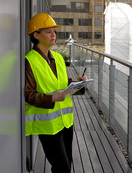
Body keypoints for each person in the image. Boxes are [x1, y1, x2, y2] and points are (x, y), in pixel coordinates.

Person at [25, 12, 87, 173]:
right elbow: (29, 95)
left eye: (54, 31)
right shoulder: (29, 61)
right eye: (48, 31)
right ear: (36, 35)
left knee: (66, 165)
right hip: (47, 125)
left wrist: (79, 83)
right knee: (62, 168)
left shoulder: (58, 58)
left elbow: (64, 85)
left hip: (66, 122)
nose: (54, 35)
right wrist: (52, 97)